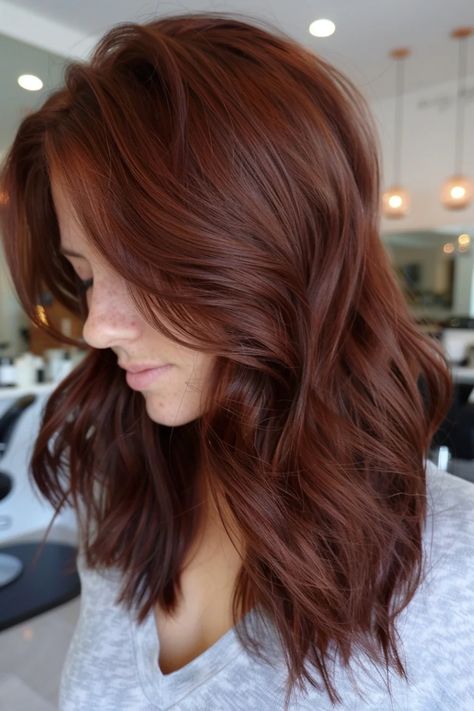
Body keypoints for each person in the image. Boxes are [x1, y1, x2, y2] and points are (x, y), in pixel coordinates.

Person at [1, 13, 473, 711]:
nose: (98, 327)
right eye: (88, 275)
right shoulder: (126, 490)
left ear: (281, 253)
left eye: (145, 267)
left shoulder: (454, 572)